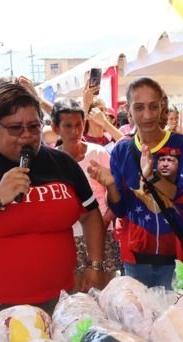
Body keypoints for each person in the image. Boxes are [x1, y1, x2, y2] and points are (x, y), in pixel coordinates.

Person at [0, 82, 105, 325]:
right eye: (16, 128)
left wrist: (95, 264)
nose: (27, 135)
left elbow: (91, 215)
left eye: (34, 126)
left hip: (62, 301)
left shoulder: (61, 162)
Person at [87, 77, 183, 288]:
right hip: (135, 260)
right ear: (129, 111)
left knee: (176, 318)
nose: (147, 115)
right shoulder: (122, 150)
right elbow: (120, 209)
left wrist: (153, 178)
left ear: (161, 108)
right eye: (139, 108)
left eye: (153, 107)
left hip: (176, 257)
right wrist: (110, 184)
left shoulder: (182, 146)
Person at [50, 99, 120, 289]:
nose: (75, 131)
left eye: (79, 124)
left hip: (102, 236)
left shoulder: (98, 153)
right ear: (55, 128)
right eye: (68, 126)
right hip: (67, 239)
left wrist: (104, 221)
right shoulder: (51, 160)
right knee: (74, 300)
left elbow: (115, 193)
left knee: (105, 296)